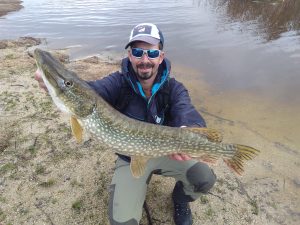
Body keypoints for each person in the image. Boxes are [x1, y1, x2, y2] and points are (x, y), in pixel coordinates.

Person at [35, 23, 216, 225]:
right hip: (130, 157)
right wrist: (55, 85)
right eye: (138, 52)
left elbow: (186, 111)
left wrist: (188, 128)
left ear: (161, 57)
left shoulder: (174, 89)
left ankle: (180, 199)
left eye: (151, 53)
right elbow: (91, 90)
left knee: (204, 178)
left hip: (167, 152)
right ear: (130, 55)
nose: (144, 60)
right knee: (123, 222)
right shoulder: (117, 83)